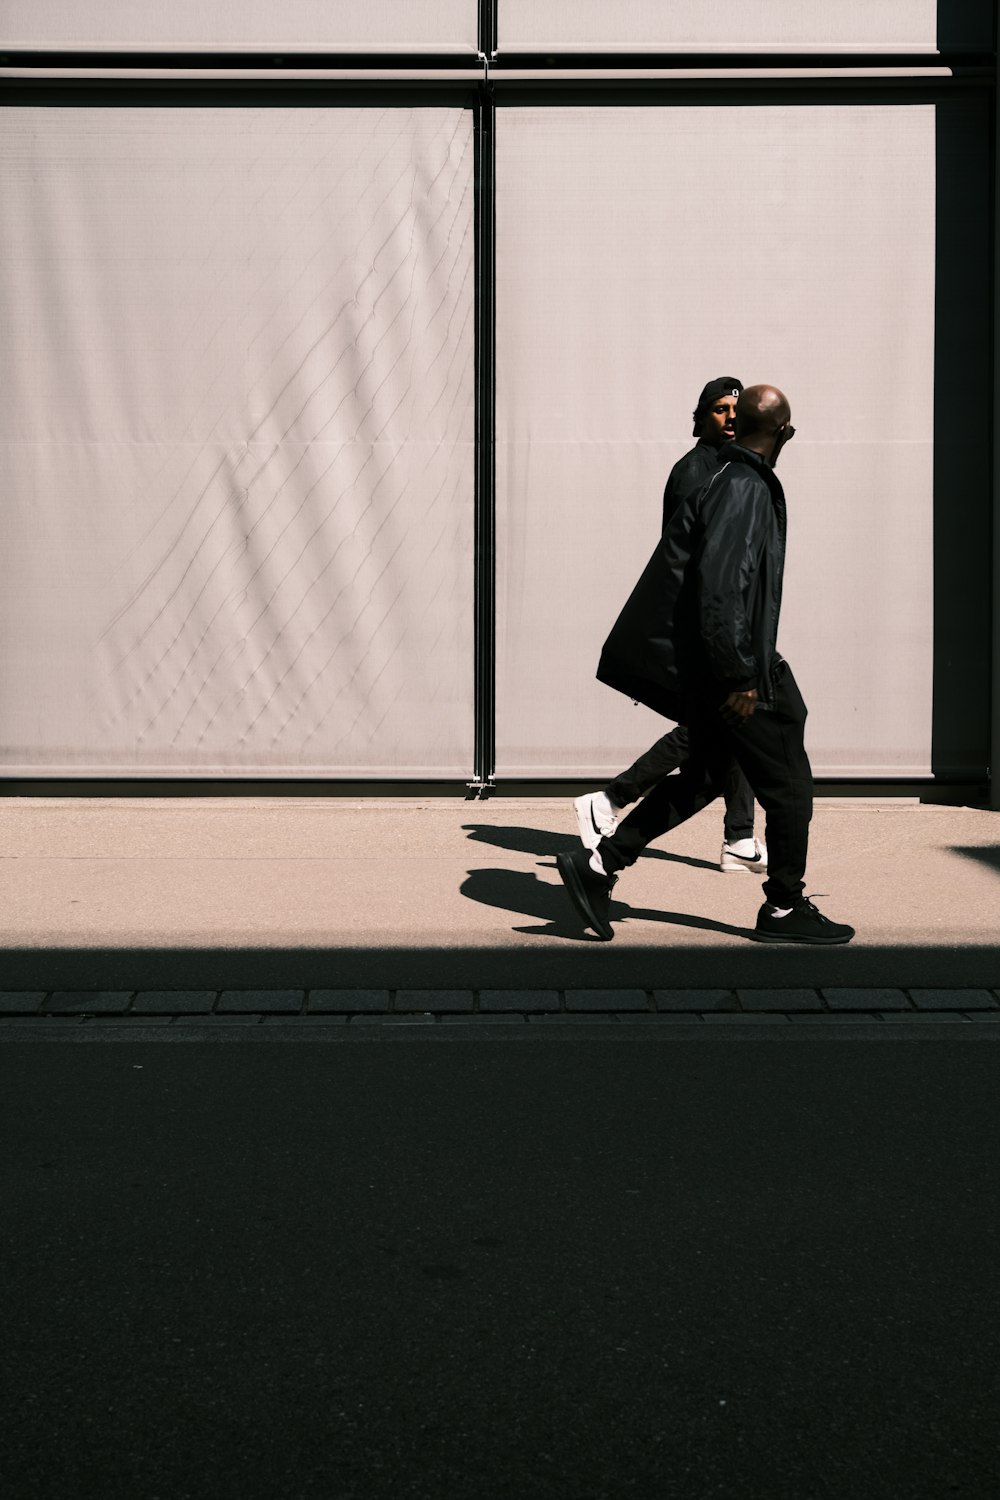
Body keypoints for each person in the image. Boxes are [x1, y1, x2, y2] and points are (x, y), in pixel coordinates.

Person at [556, 384, 854, 946]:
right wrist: (741, 675)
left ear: (738, 424)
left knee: (709, 773)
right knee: (789, 785)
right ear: (785, 432)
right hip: (739, 669)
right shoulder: (744, 487)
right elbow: (720, 589)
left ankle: (597, 867)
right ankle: (785, 908)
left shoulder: (724, 477)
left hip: (726, 660)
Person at [573, 377, 765, 876]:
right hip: (706, 625)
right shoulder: (695, 470)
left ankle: (739, 836)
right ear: (699, 417)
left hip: (724, 620)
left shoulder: (730, 468)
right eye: (719, 409)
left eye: (736, 410)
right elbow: (694, 561)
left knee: (733, 725)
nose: (729, 417)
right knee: (720, 722)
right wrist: (722, 627)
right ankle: (614, 797)